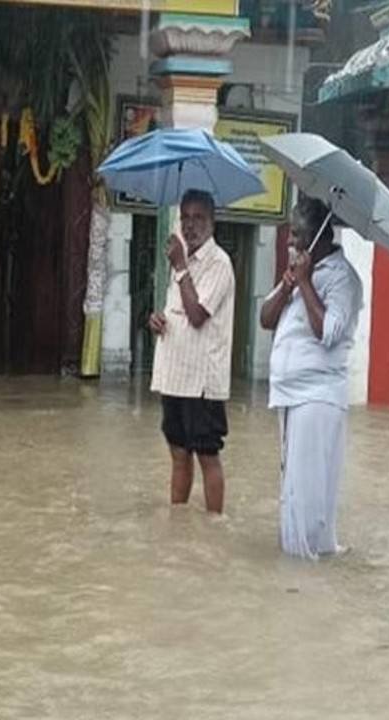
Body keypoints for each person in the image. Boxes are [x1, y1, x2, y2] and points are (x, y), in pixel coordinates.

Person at [259, 196, 363, 559]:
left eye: (297, 236)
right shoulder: (299, 272)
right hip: (288, 394)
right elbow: (265, 318)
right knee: (292, 493)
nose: (291, 243)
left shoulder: (342, 279)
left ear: (319, 238)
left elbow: (328, 333)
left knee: (309, 495)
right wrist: (289, 286)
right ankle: (299, 563)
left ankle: (307, 569)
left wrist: (304, 284)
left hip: (318, 396)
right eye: (289, 236)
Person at [148, 189, 236, 513]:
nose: (189, 225)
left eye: (198, 218)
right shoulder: (179, 260)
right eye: (185, 217)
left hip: (201, 380)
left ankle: (214, 524)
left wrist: (181, 266)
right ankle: (178, 520)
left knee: (206, 454)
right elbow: (177, 312)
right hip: (174, 373)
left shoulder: (219, 263)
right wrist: (157, 320)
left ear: (212, 222)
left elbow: (198, 316)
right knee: (178, 452)